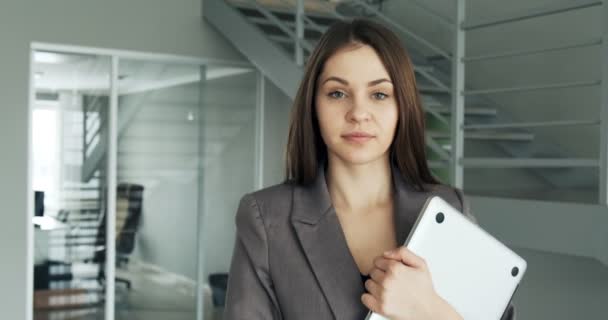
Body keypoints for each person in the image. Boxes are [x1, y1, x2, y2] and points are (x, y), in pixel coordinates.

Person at [223, 18, 516, 320]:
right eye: (337, 93)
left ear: (402, 106)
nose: (358, 113)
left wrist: (428, 312)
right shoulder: (266, 219)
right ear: (313, 105)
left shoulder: (448, 208)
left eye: (379, 94)